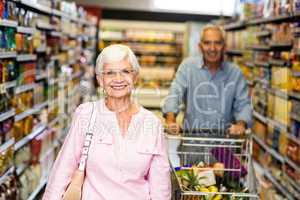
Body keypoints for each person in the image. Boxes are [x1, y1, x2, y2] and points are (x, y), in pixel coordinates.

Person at [43, 44, 171, 200]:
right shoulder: (87, 114)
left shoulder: (151, 123)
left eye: (125, 71)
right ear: (100, 80)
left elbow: (161, 186)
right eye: (110, 73)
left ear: (135, 77)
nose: (118, 79)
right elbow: (63, 169)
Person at [163, 24, 252, 136]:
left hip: (224, 145)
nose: (212, 48)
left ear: (224, 46)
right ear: (200, 46)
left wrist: (241, 124)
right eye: (207, 43)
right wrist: (170, 120)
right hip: (193, 144)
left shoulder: (235, 72)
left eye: (217, 43)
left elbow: (243, 103)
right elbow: (175, 93)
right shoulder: (187, 67)